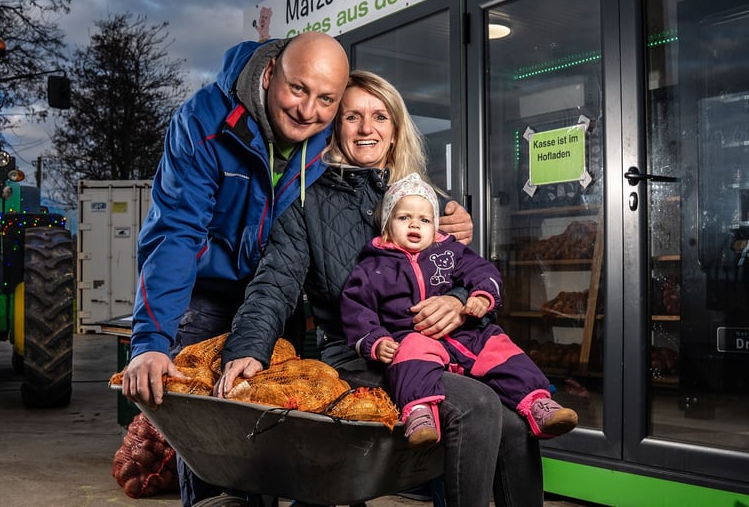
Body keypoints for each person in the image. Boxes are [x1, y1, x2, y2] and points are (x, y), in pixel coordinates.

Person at [120, 36, 473, 506]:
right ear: (270, 75)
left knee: (269, 436)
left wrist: (444, 207)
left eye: (327, 100)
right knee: (213, 438)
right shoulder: (203, 123)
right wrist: (150, 342)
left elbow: (378, 164)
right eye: (298, 90)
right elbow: (176, 235)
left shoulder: (327, 128)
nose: (309, 111)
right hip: (204, 292)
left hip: (275, 292)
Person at [216, 70, 546, 507]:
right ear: (335, 127)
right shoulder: (305, 202)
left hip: (447, 346)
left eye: (380, 117)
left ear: (394, 131)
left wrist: (460, 302)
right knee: (477, 406)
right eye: (352, 116)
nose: (367, 128)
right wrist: (249, 349)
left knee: (518, 421)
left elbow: (468, 270)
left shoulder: (422, 198)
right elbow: (274, 285)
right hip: (365, 354)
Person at [340, 172, 578, 448]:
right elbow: (356, 309)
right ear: (387, 225)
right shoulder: (372, 266)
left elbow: (482, 270)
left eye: (424, 219)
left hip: (467, 332)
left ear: (435, 226)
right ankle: (419, 415)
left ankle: (539, 404)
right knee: (408, 359)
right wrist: (376, 341)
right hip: (412, 335)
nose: (414, 224)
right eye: (404, 217)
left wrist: (482, 295)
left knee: (500, 347)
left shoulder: (449, 251)